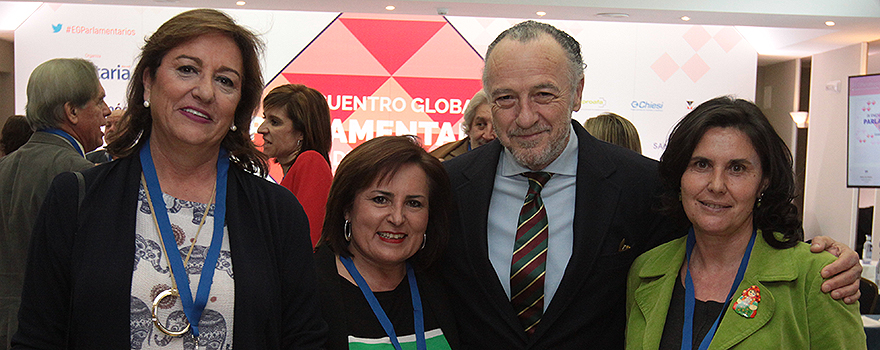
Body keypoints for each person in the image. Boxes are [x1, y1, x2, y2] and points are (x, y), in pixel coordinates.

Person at [439, 20, 861, 349]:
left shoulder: (643, 185)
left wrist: (835, 259)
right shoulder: (447, 188)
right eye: (506, 98)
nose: (525, 116)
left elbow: (734, 242)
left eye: (544, 94)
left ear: (578, 92)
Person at [12, 9, 326, 349]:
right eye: (187, 69)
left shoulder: (278, 214)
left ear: (239, 106)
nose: (205, 92)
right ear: (149, 81)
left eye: (225, 81)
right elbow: (38, 338)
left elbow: (304, 339)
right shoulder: (76, 199)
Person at [626, 96, 865, 349]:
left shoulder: (819, 277)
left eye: (737, 168)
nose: (716, 185)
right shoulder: (646, 272)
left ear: (764, 181)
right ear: (680, 176)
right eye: (701, 164)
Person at [0, 58, 108, 350]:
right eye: (100, 101)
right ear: (71, 112)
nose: (107, 112)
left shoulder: (4, 167)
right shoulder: (82, 176)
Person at [315, 136, 459, 349]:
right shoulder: (308, 288)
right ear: (347, 208)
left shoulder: (445, 282)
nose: (397, 218)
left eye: (414, 203)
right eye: (381, 200)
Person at [258, 84, 332, 247]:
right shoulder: (297, 170)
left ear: (302, 132)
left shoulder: (311, 162)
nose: (261, 129)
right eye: (265, 119)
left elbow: (306, 244)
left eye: (275, 122)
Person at [431, 90, 495, 161]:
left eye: (496, 127)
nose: (487, 136)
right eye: (480, 125)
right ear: (469, 128)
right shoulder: (443, 162)